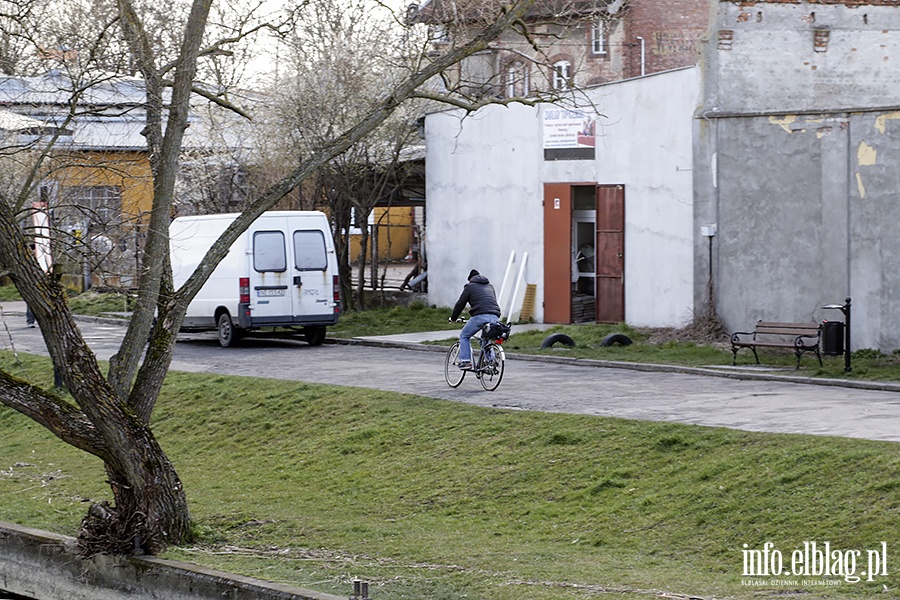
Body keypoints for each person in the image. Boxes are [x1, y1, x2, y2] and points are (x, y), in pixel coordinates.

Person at [449, 269, 501, 369]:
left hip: (480, 316)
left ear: (470, 279)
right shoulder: (490, 286)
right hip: (495, 316)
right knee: (485, 339)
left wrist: (453, 318)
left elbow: (460, 304)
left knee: (464, 335)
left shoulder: (469, 286)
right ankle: (491, 361)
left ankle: (465, 361)